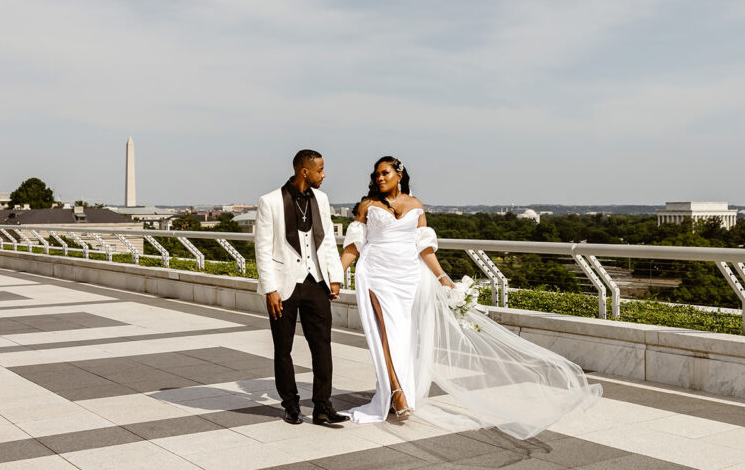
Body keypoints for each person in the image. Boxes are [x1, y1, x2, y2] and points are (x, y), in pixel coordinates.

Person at [339, 156, 601, 439]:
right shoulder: (367, 206)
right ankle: (398, 392)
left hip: (408, 281)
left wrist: (443, 278)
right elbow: (353, 247)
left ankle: (392, 392)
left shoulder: (416, 206)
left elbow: (425, 249)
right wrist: (335, 274)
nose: (380, 178)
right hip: (378, 275)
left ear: (399, 175)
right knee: (386, 335)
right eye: (376, 174)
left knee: (403, 337)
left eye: (385, 173)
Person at [254, 150, 349, 426]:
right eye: (320, 170)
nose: (324, 174)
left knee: (322, 345)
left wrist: (334, 276)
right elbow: (262, 249)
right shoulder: (269, 201)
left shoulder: (321, 199)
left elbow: (327, 240)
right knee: (283, 348)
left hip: (316, 283)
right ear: (304, 171)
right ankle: (291, 405)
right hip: (284, 285)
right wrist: (270, 288)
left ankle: (322, 406)